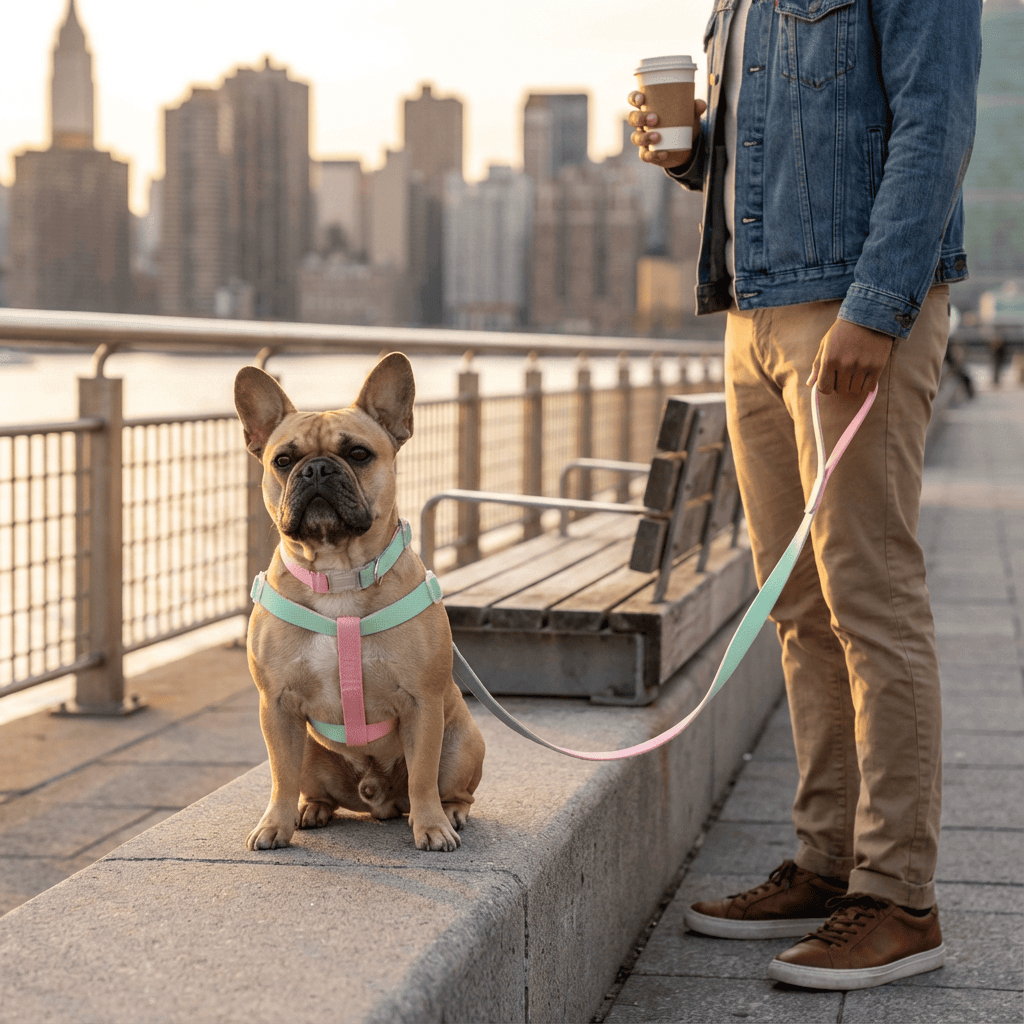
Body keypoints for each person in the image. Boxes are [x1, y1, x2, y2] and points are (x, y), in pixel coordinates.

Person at [628, 0, 983, 991]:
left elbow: (936, 121)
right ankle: (827, 862)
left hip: (851, 310)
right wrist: (685, 153)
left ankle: (899, 897)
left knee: (870, 598)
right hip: (753, 313)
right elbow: (770, 134)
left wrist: (876, 309)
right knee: (798, 607)